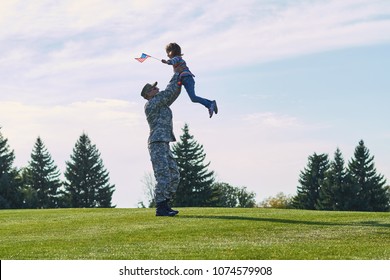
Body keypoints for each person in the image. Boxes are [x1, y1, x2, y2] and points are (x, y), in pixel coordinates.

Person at [141, 73, 182, 216]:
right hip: (157, 143)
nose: (157, 88)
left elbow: (173, 94)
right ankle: (160, 208)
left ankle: (165, 202)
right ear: (148, 94)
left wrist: (180, 82)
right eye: (153, 88)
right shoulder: (152, 103)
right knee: (163, 175)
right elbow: (169, 92)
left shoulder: (159, 102)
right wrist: (177, 74)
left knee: (174, 174)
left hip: (164, 142)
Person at [161, 42, 218, 118]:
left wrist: (166, 62)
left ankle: (210, 104)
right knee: (193, 98)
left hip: (187, 78)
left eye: (167, 53)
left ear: (172, 52)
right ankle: (210, 103)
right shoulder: (178, 59)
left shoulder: (177, 58)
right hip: (185, 79)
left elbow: (172, 61)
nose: (167, 55)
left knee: (193, 98)